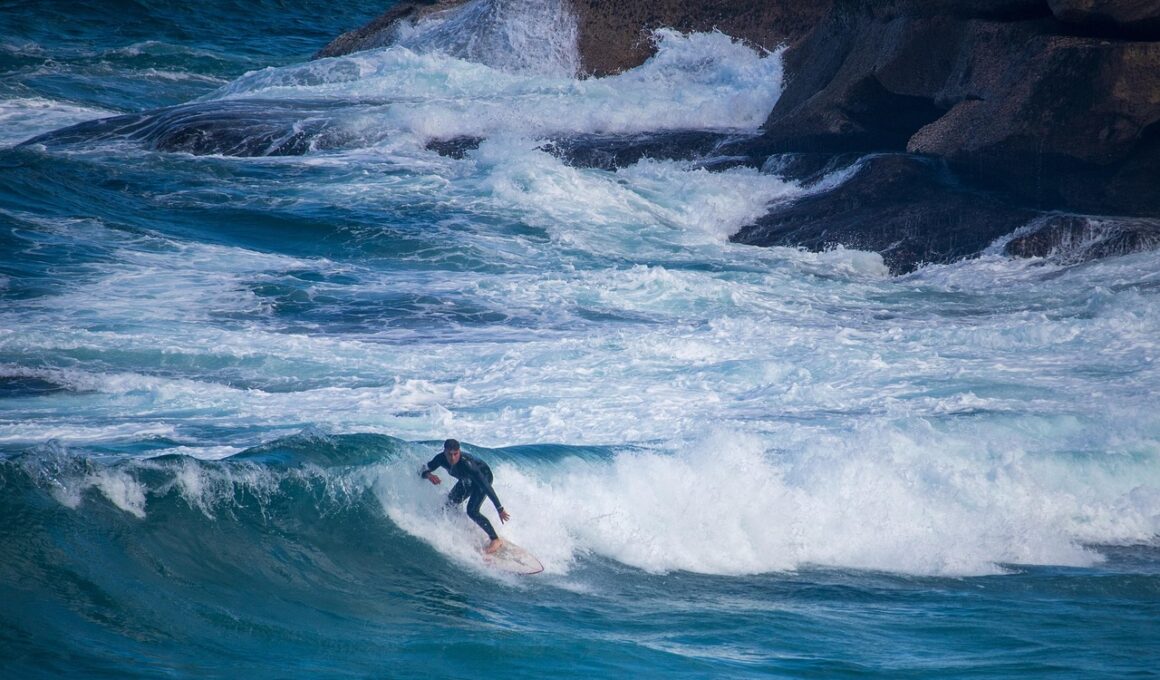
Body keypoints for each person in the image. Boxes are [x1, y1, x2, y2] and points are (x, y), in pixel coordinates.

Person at [419, 438, 510, 554]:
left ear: (459, 452)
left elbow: (486, 487)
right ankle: (463, 526)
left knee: (472, 511)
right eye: (449, 454)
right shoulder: (440, 459)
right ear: (444, 452)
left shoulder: (468, 464)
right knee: (449, 505)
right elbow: (422, 469)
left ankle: (495, 539)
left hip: (484, 477)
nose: (452, 458)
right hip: (466, 480)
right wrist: (428, 475)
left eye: (455, 454)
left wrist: (499, 509)